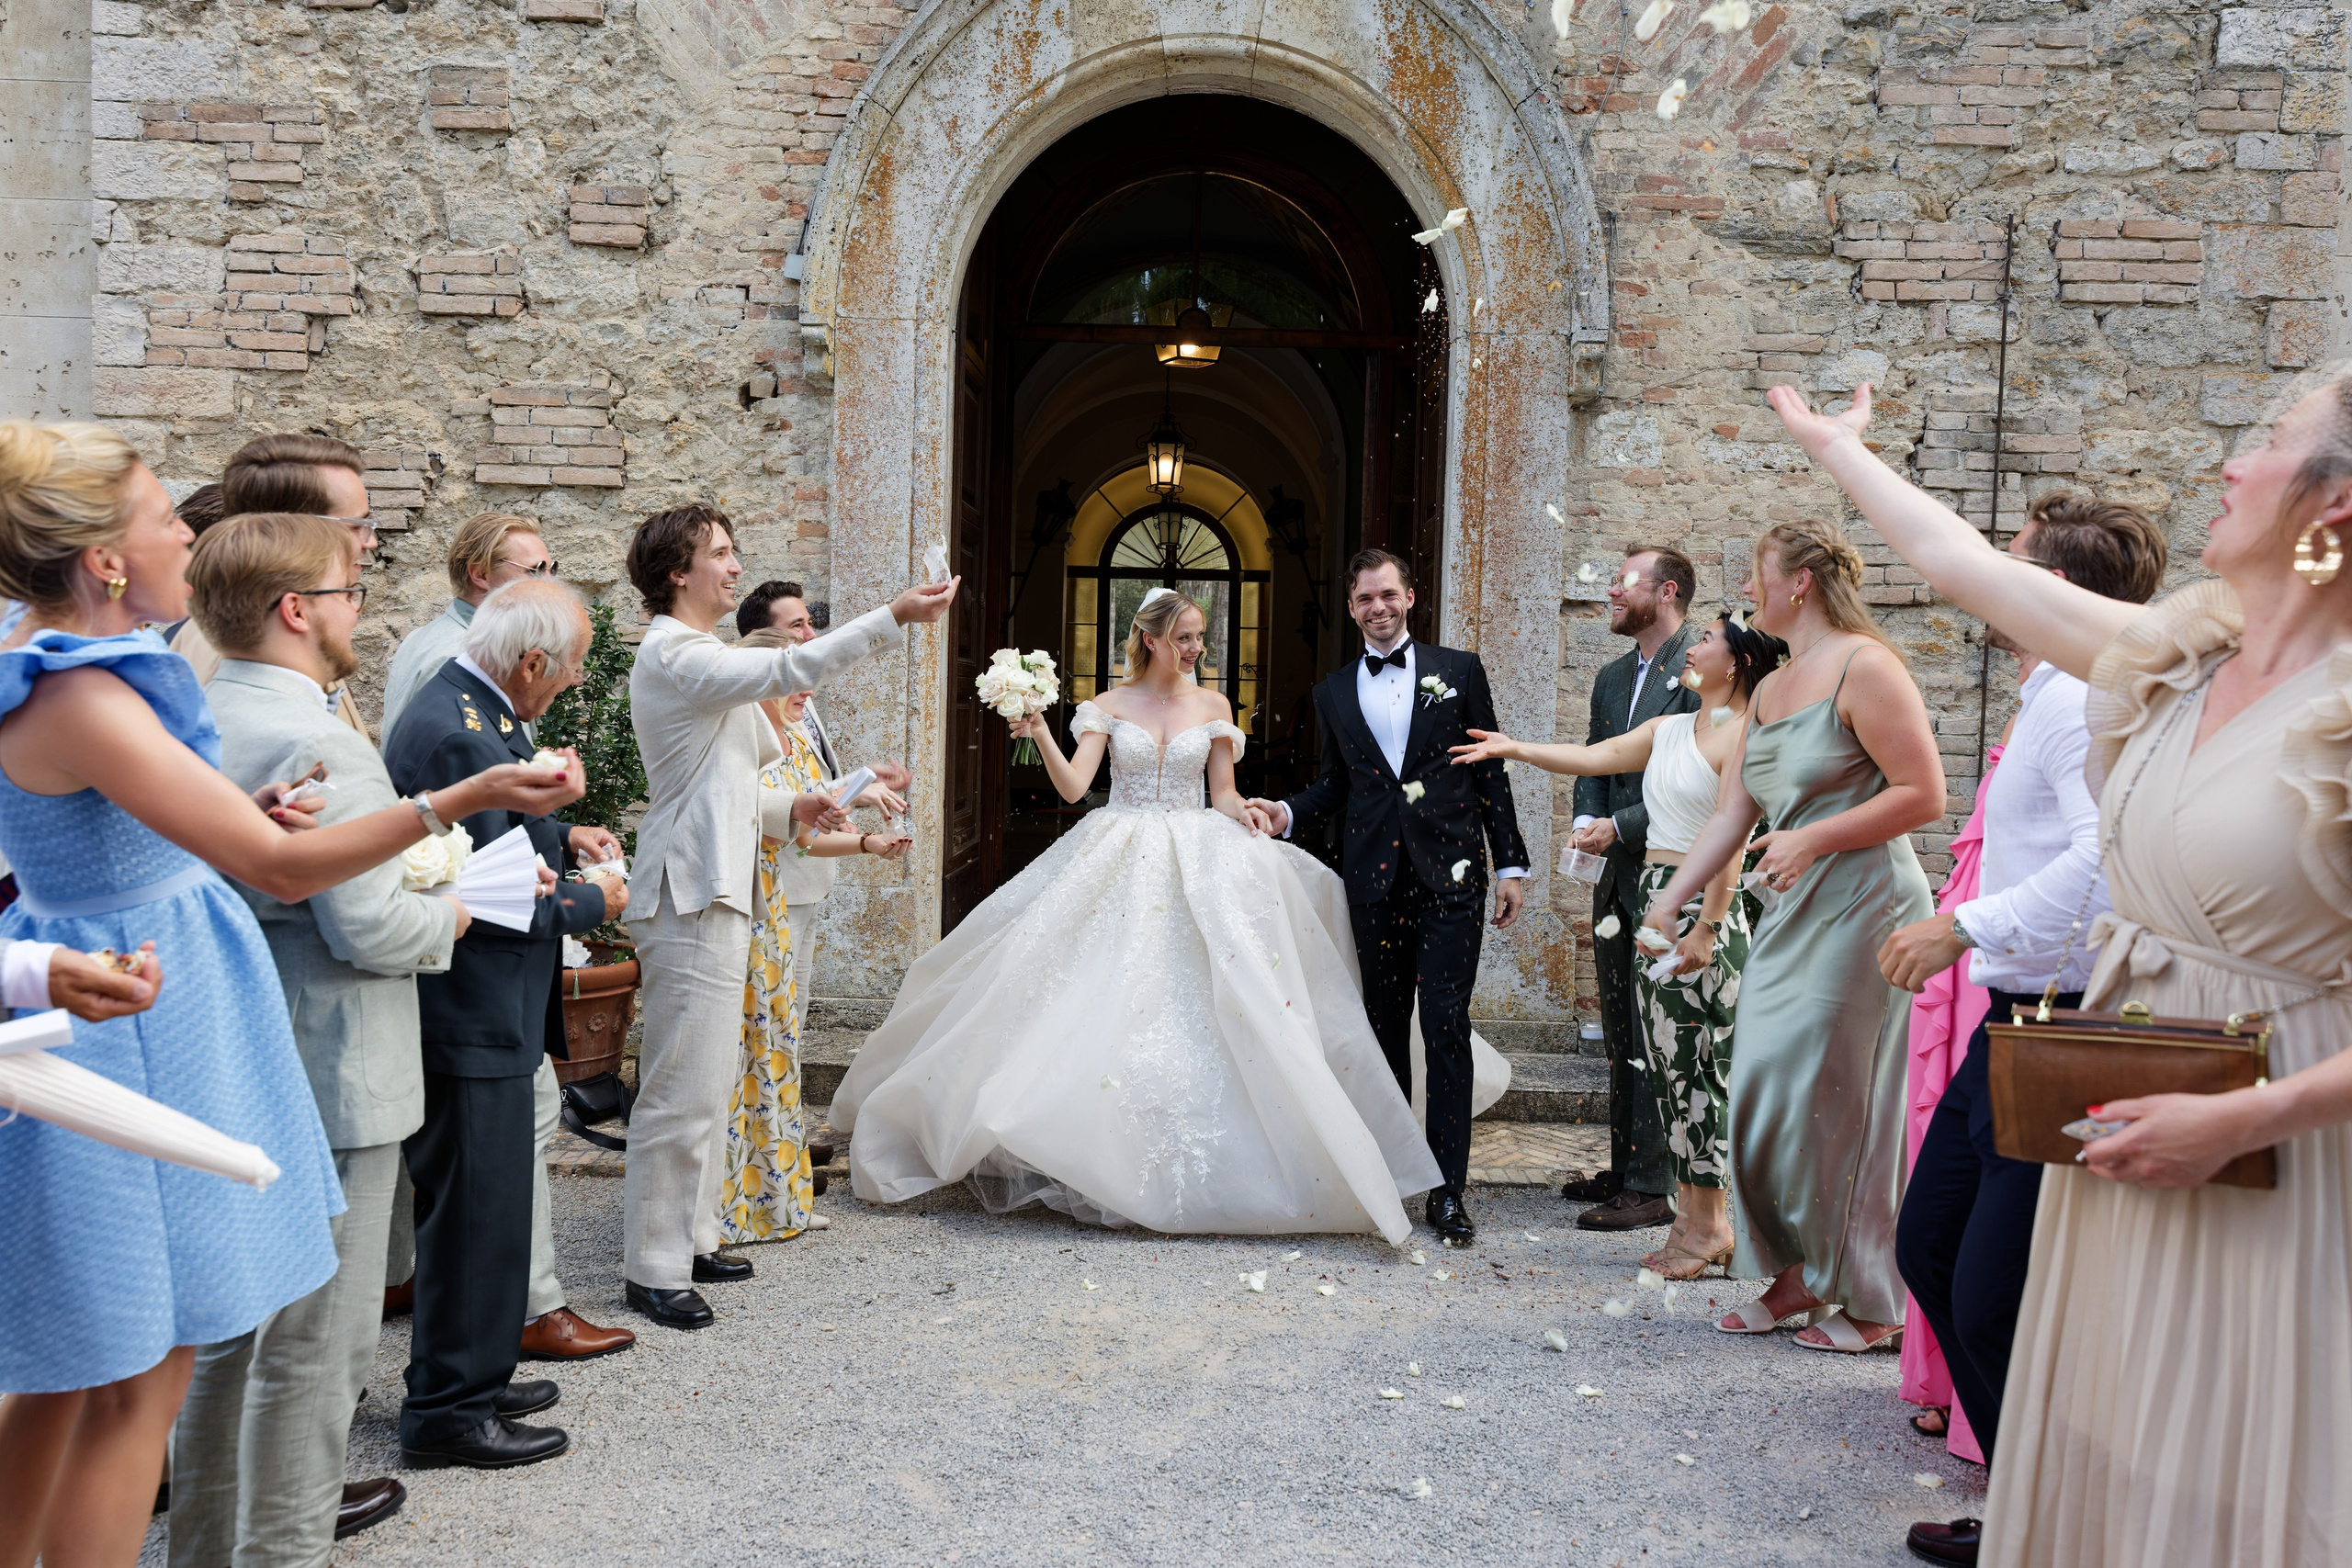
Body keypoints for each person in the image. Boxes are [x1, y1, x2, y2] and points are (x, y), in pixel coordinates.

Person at [1770, 374, 2352, 1568]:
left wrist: (2249, 1112)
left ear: (2333, 511)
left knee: (2245, 1459)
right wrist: (1837, 452)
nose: (2228, 469)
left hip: (2273, 1136)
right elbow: (1967, 566)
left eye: (2267, 448)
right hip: (2126, 1106)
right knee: (2110, 1437)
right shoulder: (2182, 653)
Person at [0, 420, 576, 1568]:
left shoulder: (57, 667)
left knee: (82, 1375)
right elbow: (274, 871)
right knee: (136, 1375)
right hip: (142, 1023)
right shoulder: (82, 691)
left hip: (141, 984)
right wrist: (449, 804)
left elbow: (149, 841)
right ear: (109, 559)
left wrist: (234, 832)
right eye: (166, 515)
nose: (184, 531)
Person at [836, 587, 1443, 1240]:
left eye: (1200, 636)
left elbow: (1224, 794)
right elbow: (1075, 786)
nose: (1197, 647)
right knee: (1097, 990)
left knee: (1211, 995)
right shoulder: (1106, 706)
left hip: (1198, 847)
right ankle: (1087, 1149)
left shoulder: (1213, 705)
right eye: (1185, 636)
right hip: (1117, 845)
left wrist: (1256, 817)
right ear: (1151, 638)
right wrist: (1040, 728)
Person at [172, 512, 511, 1562]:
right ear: (296, 610)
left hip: (234, 1059)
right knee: (315, 1358)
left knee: (230, 1348)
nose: (358, 607)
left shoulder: (201, 711)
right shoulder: (320, 741)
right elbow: (368, 926)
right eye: (350, 590)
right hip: (335, 1074)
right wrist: (452, 911)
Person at [1881, 496, 2168, 1527]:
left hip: (2067, 1026)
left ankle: (2049, 1518)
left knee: (1992, 1288)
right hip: (2014, 1020)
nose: (1988, 580)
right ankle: (2029, 1501)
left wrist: (1963, 927)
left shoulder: (2080, 697)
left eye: (2009, 563)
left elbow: (2104, 859)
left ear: (2053, 589)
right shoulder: (2052, 688)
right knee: (1930, 1249)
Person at [621, 503, 953, 1329]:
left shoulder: (699, 656)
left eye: (734, 553)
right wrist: (897, 616)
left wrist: (800, 802)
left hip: (727, 882)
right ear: (676, 573)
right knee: (678, 1088)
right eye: (720, 555)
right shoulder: (677, 651)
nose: (734, 569)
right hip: (690, 889)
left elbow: (728, 787)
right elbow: (786, 668)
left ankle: (696, 1235)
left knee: (710, 1082)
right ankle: (652, 1266)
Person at [1645, 517, 1943, 1352]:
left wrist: (1813, 836)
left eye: (1755, 573)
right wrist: (1669, 900)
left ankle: (1872, 1298)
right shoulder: (1771, 689)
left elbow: (1926, 793)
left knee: (1843, 1102)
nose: (1747, 590)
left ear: (1800, 582)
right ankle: (1799, 1274)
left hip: (1867, 903)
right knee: (1767, 1087)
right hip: (1791, 910)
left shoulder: (1867, 666)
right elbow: (1732, 816)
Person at [1452, 611, 1786, 1277]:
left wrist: (1706, 926)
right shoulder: (1670, 728)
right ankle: (1690, 1219)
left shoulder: (1741, 737)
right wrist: (1513, 748)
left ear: (1738, 665)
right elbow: (1596, 758)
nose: (1694, 647)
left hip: (1698, 908)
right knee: (1666, 1068)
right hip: (1655, 899)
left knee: (1701, 1071)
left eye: (1709, 641)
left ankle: (1714, 1223)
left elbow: (1729, 842)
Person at [379, 581, 622, 1470]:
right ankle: (449, 1410)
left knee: (482, 1212)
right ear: (529, 663)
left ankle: (473, 1368)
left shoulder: (478, 711)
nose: (569, 684)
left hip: (485, 1007)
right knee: (473, 1215)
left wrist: (565, 839)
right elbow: (485, 896)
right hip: (467, 1009)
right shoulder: (457, 728)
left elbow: (500, 851)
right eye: (567, 670)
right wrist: (596, 899)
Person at [1241, 550, 1529, 1246]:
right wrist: (1282, 811)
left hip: (1452, 876)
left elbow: (1488, 772)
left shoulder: (1458, 671)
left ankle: (1448, 1191)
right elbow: (1336, 785)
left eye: (1389, 594)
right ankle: (1396, 1177)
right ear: (1351, 608)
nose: (1379, 607)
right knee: (1382, 1026)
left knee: (1445, 1023)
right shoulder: (1333, 690)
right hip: (1373, 879)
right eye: (1366, 598)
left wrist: (1511, 862)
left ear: (1410, 597)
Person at [717, 634, 911, 1245]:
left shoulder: (795, 729)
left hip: (776, 903)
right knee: (743, 1058)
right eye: (792, 678)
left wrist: (867, 842)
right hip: (749, 904)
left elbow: (804, 834)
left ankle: (774, 1196)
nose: (806, 690)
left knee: (777, 1049)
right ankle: (731, 1205)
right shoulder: (744, 733)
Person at [1565, 547, 1701, 1232]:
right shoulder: (1612, 677)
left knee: (1659, 1026)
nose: (1612, 591)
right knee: (1621, 1025)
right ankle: (1626, 1166)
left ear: (1667, 591)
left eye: (1625, 581)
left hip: (1671, 872)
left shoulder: (1704, 670)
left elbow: (1702, 779)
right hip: (1613, 875)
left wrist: (1618, 825)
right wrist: (1587, 819)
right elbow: (1594, 755)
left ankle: (1654, 1185)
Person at [734, 581, 907, 1039]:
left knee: (793, 1015)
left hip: (806, 881)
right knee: (765, 1024)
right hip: (771, 889)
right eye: (798, 627)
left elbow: (809, 796)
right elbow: (772, 803)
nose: (811, 636)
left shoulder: (794, 712)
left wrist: (859, 789)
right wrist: (857, 814)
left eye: (810, 624)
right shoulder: (749, 724)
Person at [171, 435, 376, 736]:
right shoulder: (243, 653)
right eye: (357, 526)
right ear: (297, 528)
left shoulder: (278, 633)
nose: (370, 542)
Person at [380, 513, 551, 738]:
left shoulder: (424, 638)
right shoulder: (463, 661)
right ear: (481, 575)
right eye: (535, 570)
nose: (550, 583)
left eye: (551, 569)